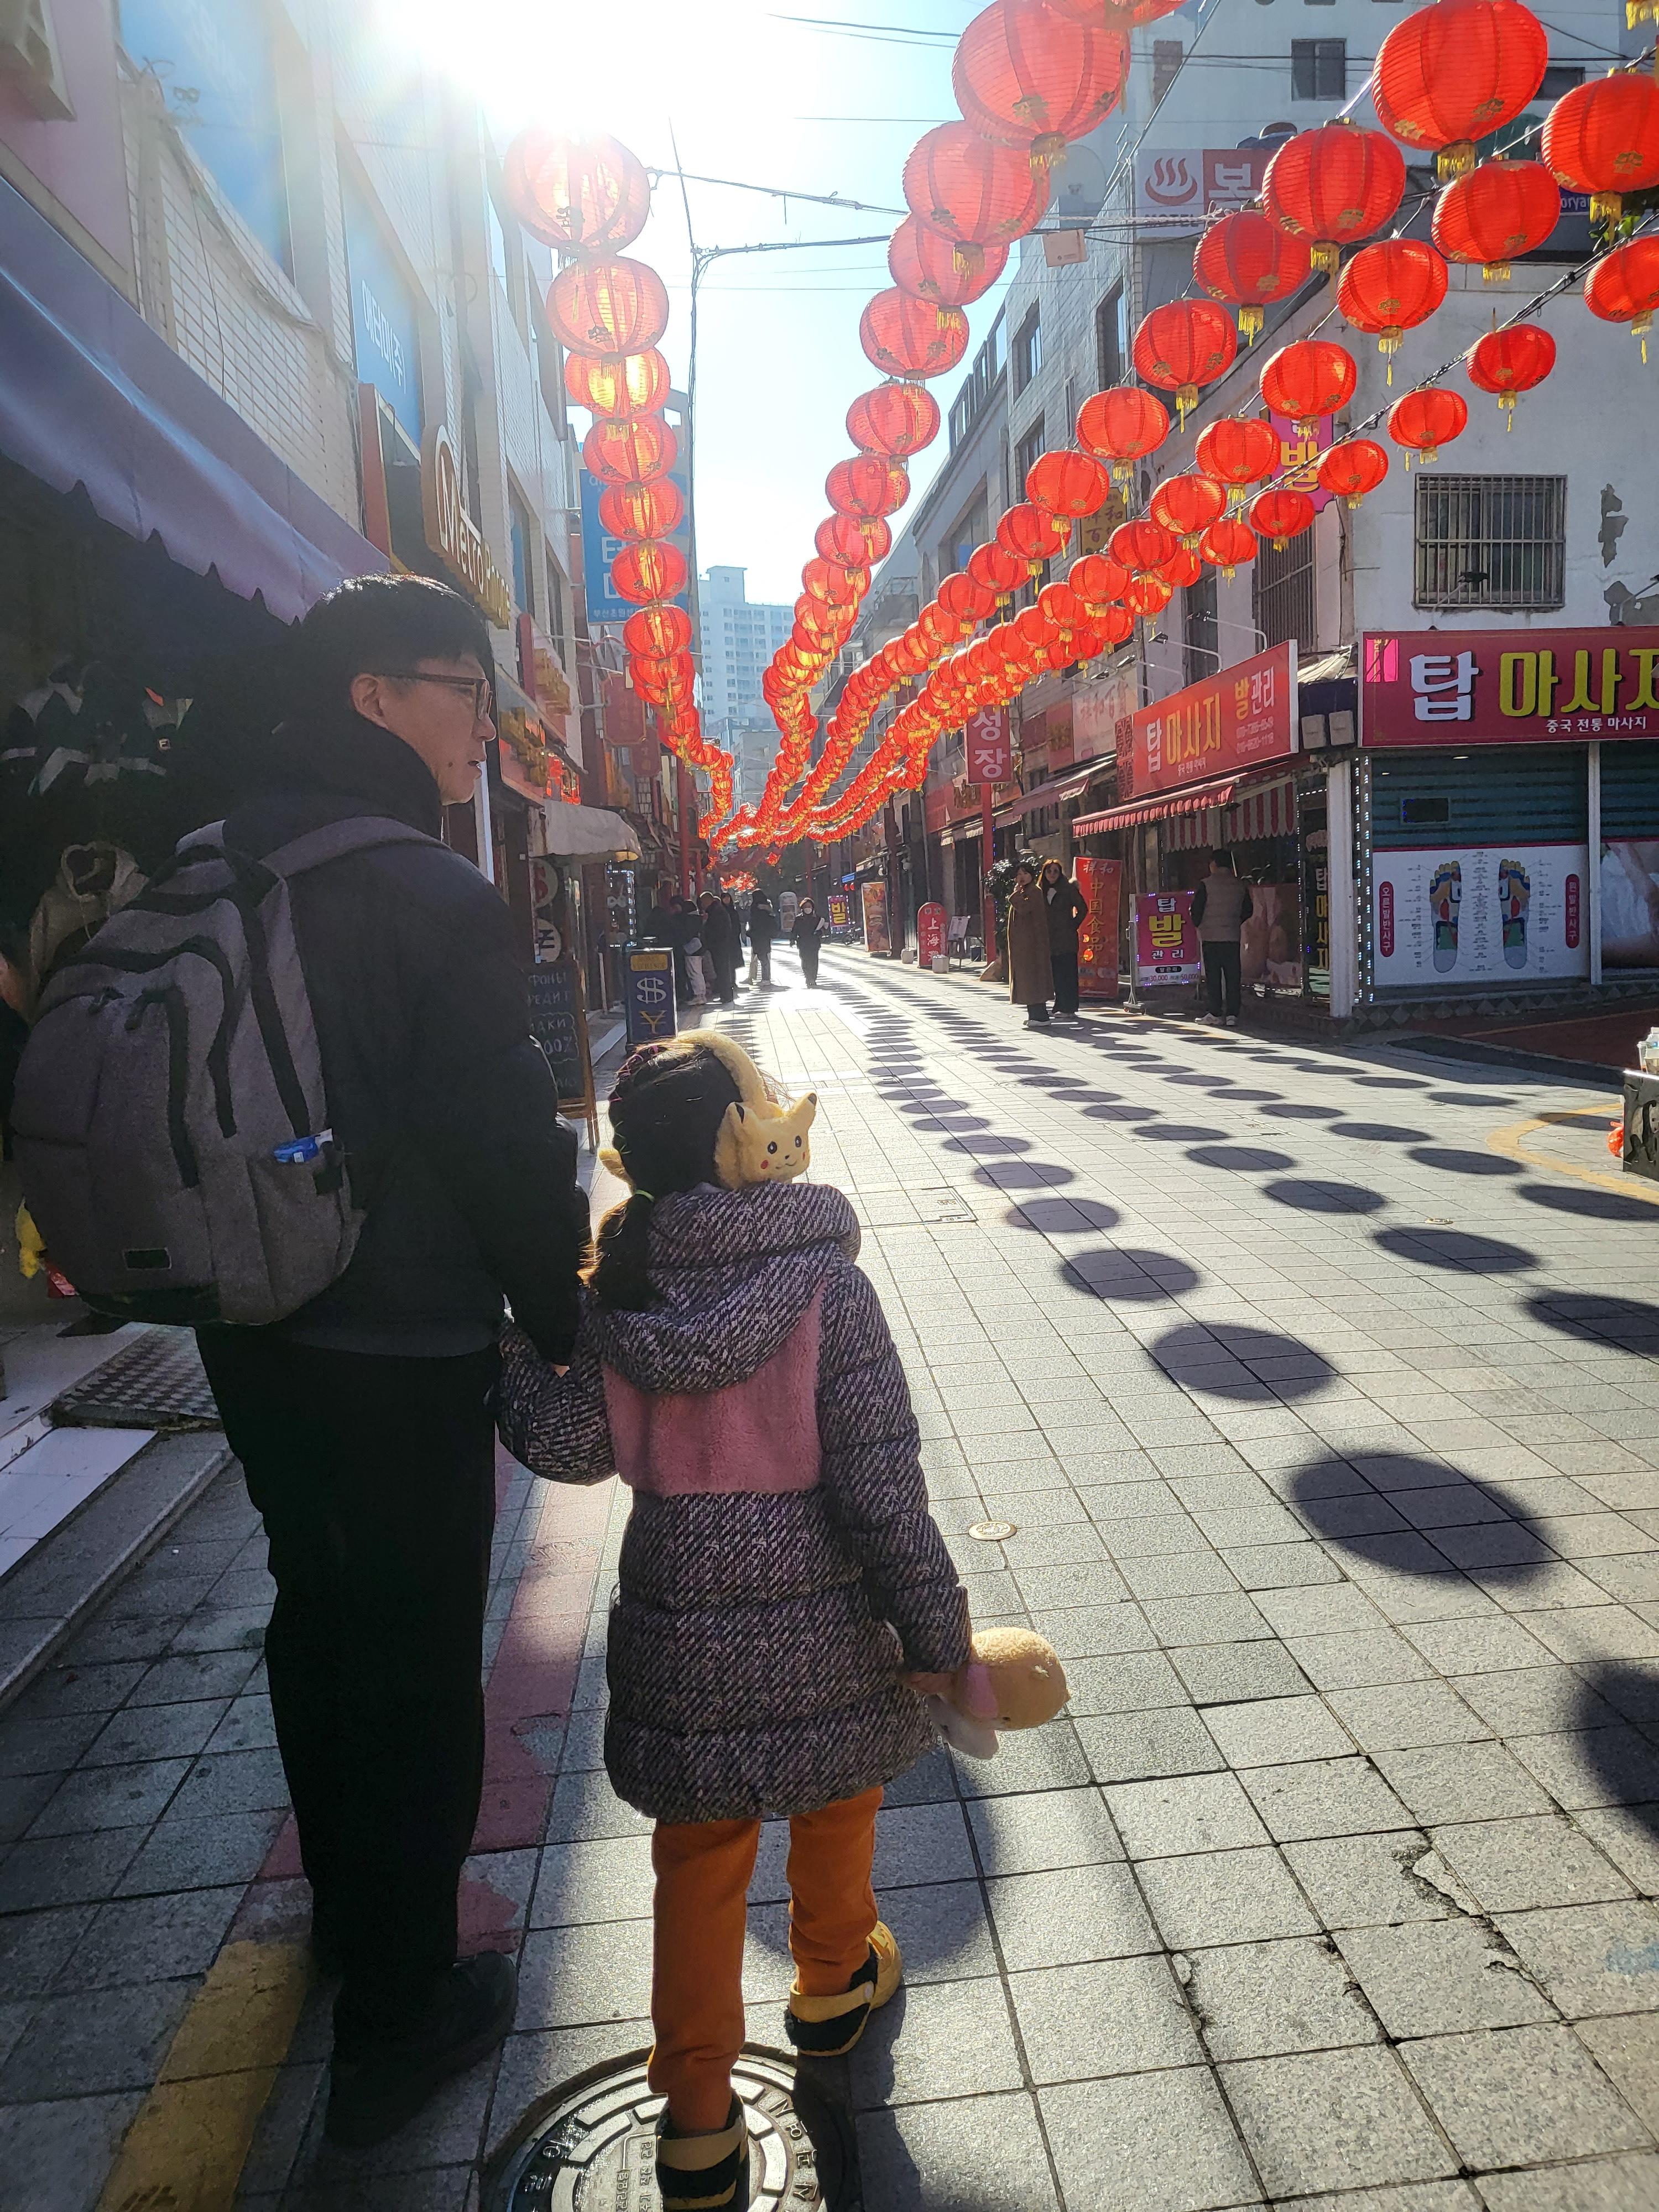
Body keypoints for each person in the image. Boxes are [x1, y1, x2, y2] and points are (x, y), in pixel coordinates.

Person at [189, 576, 589, 2150]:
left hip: (251, 1326)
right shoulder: (423, 891)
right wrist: (567, 1317)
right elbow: (505, 1142)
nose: (479, 727)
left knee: (319, 1606)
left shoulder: (215, 858)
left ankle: (353, 1920)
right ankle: (404, 2010)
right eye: (458, 691)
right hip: (403, 1337)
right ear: (373, 697)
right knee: (421, 1655)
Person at [496, 1033, 971, 2212]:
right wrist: (939, 1639)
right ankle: (829, 1987)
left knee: (699, 1859)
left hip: (679, 1620)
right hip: (822, 1612)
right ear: (737, 1140)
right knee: (837, 1796)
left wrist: (504, 1350)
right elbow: (879, 1482)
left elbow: (568, 1444)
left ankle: (699, 2123)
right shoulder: (825, 1284)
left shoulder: (628, 1292)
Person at [1192, 848, 1253, 1027]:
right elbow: (1248, 910)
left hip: (1211, 937)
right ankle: (1233, 1014)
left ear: (1214, 864)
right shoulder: (1240, 885)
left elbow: (1196, 912)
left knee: (1214, 976)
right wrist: (1235, 921)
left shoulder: (1205, 885)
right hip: (1233, 936)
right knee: (1233, 975)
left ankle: (1215, 1012)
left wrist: (1201, 925)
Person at [1005, 858, 1053, 1027]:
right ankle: (1035, 1015)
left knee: (1033, 978)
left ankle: (1040, 1016)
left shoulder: (1033, 892)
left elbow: (1025, 910)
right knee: (1029, 979)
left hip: (1032, 944)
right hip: (1025, 945)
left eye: (1025, 873)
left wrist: (1014, 895)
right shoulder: (1024, 892)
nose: (1022, 877)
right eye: (1019, 874)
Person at [1039, 860, 1088, 1021]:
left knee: (1068, 972)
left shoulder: (1068, 889)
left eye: (1055, 871)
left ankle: (1070, 1007)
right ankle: (1059, 1005)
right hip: (1049, 939)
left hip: (1066, 939)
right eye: (1049, 871)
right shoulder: (1041, 891)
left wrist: (1073, 924)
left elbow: (1083, 908)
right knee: (1056, 973)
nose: (1052, 874)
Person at [701, 889, 739, 1005]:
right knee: (722, 970)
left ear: (708, 901)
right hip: (721, 944)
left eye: (703, 902)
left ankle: (726, 994)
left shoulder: (716, 911)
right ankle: (725, 994)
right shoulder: (719, 910)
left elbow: (716, 929)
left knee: (722, 970)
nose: (702, 905)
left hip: (719, 945)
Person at [791, 897, 826, 988]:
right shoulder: (799, 919)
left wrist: (820, 933)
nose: (808, 908)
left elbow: (823, 929)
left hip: (814, 943)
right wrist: (792, 940)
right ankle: (808, 977)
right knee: (805, 960)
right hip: (803, 943)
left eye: (809, 906)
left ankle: (813, 978)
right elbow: (794, 931)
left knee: (814, 961)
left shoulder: (817, 918)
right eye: (806, 906)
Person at [746, 889, 776, 985]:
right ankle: (764, 977)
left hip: (758, 936)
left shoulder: (755, 908)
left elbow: (752, 921)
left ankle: (765, 978)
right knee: (764, 956)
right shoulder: (767, 907)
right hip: (765, 936)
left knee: (761, 957)